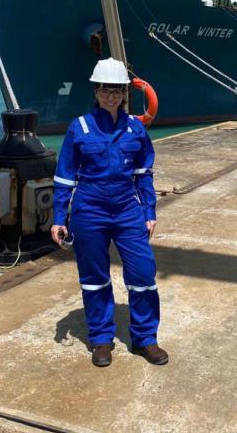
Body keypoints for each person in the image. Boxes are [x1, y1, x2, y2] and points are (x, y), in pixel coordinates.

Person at [51, 58, 168, 367]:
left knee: (143, 274)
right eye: (105, 90)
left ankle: (146, 339)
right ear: (96, 91)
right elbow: (64, 177)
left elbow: (144, 173)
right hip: (89, 210)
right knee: (94, 278)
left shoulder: (135, 129)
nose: (111, 96)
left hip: (128, 209)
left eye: (116, 91)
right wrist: (59, 218)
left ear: (124, 93)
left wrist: (149, 211)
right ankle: (101, 339)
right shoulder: (80, 128)